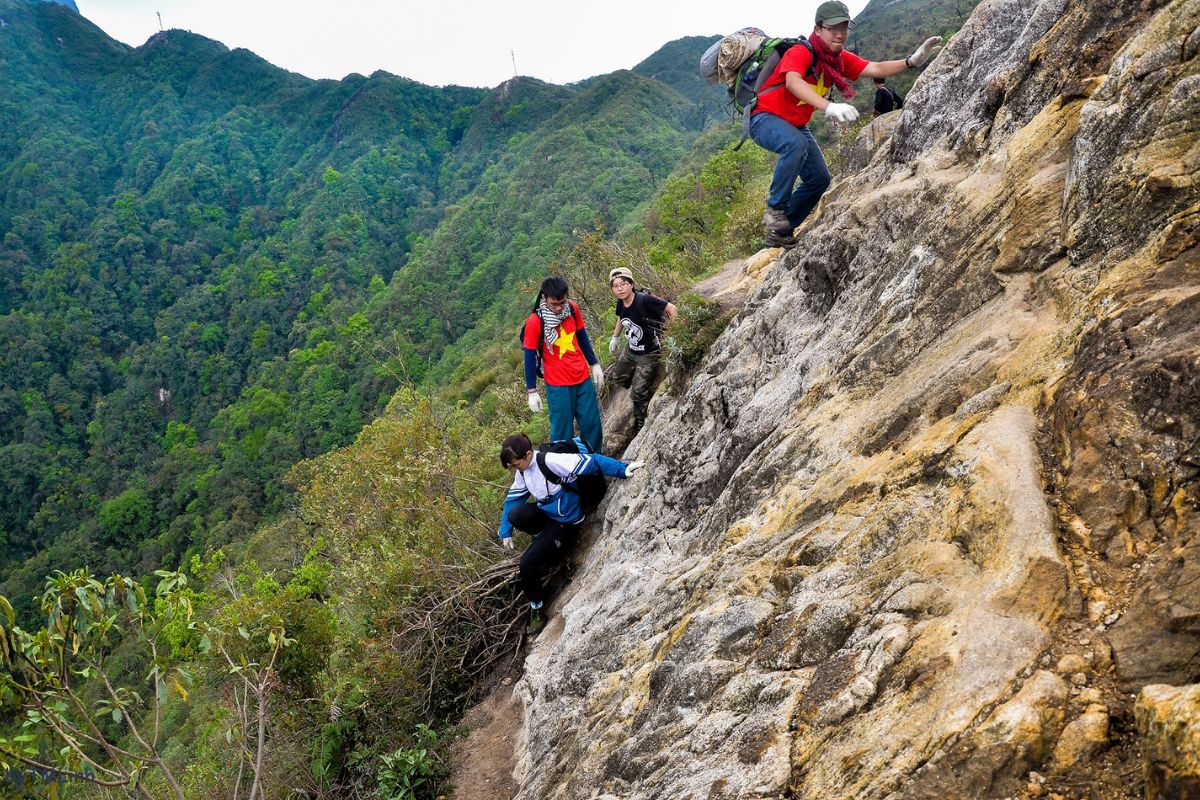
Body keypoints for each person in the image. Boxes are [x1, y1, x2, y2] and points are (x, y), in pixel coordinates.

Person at [749, 0, 942, 247]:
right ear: (818, 29)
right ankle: (775, 211)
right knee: (795, 144)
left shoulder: (836, 60)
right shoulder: (800, 52)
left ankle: (781, 230)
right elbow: (792, 83)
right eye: (833, 28)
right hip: (763, 117)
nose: (840, 33)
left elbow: (875, 67)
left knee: (819, 178)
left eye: (844, 27)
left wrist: (911, 61)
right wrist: (828, 106)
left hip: (794, 124)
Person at [497, 433, 645, 633]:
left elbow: (591, 462)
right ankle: (545, 540)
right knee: (516, 514)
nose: (514, 469)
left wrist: (622, 468)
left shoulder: (551, 461)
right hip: (549, 514)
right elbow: (514, 498)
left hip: (566, 521)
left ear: (528, 455)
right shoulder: (522, 472)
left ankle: (537, 610)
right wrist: (505, 531)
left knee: (527, 564)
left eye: (516, 464)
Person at [523, 276, 605, 452]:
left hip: (581, 377)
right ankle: (566, 474)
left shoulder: (572, 309)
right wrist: (532, 390)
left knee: (592, 426)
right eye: (554, 304)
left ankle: (593, 466)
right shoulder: (536, 322)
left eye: (562, 302)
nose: (559, 308)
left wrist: (594, 363)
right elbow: (529, 357)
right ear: (544, 298)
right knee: (562, 433)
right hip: (558, 384)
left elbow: (582, 337)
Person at [606, 267, 676, 438]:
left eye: (624, 284)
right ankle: (641, 382)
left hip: (649, 352)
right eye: (616, 286)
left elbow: (671, 308)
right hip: (631, 350)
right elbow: (621, 318)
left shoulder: (644, 300)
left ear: (632, 285)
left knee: (637, 394)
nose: (620, 288)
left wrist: (675, 334)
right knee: (618, 377)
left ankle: (640, 421)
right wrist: (615, 337)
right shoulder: (621, 302)